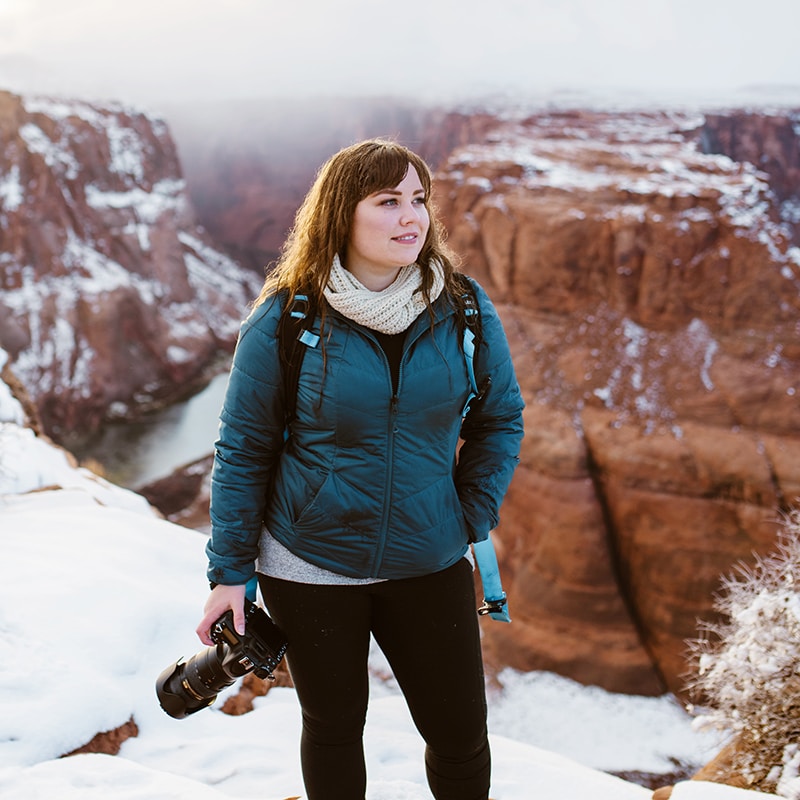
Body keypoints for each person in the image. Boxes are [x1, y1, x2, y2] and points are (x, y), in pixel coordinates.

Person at [196, 138, 524, 800]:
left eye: (419, 200)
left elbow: (500, 419)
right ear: (342, 213)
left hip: (429, 556)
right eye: (388, 201)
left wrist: (466, 515)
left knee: (460, 734)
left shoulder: (462, 308)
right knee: (335, 726)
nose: (413, 217)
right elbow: (244, 449)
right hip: (308, 560)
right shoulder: (286, 319)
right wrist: (230, 574)